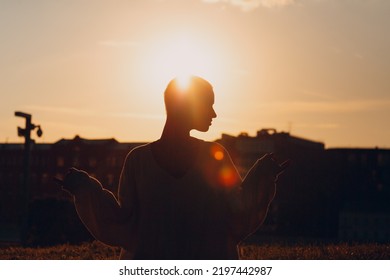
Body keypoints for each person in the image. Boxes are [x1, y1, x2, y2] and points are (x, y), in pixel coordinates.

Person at [61, 76, 288, 259]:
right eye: (208, 104)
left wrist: (263, 173)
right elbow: (125, 222)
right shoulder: (138, 160)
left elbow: (238, 211)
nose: (213, 114)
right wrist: (84, 188)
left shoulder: (213, 155)